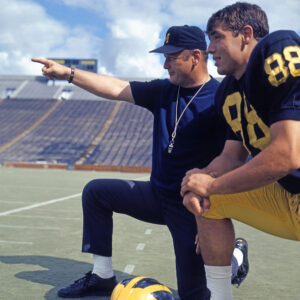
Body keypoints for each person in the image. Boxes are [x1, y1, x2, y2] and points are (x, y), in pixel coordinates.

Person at [32, 25, 248, 300]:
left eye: (171, 56)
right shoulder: (164, 91)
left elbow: (232, 159)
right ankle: (102, 276)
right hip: (156, 195)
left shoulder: (220, 98)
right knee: (96, 192)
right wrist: (69, 74)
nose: (164, 63)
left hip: (191, 207)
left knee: (194, 293)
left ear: (195, 56)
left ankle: (235, 256)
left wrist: (211, 217)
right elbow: (117, 88)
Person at [181, 2, 300, 300]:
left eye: (217, 37)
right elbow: (232, 157)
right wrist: (202, 178)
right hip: (290, 196)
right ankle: (219, 296)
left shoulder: (277, 49)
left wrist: (214, 183)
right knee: (203, 197)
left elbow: (288, 154)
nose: (210, 48)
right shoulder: (228, 91)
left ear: (246, 35)